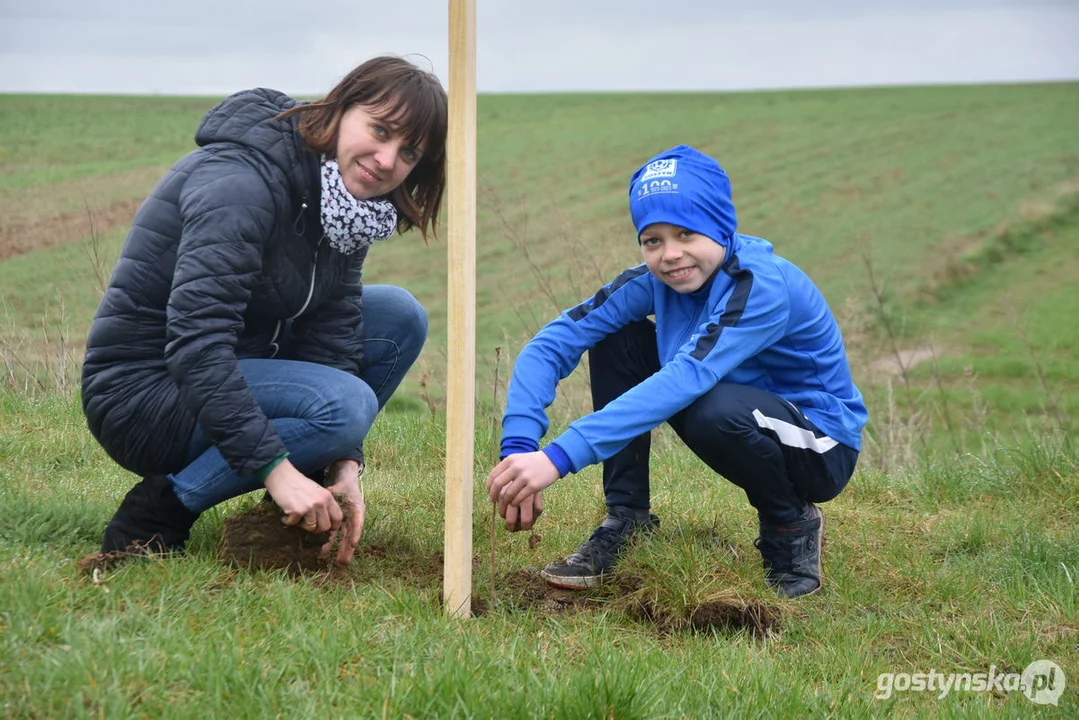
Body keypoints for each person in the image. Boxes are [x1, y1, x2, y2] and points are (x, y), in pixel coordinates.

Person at [81, 55, 447, 565]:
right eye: (380, 130)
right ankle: (161, 510)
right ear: (340, 109)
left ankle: (300, 497)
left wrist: (342, 462)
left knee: (398, 317)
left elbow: (333, 333)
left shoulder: (345, 209)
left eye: (408, 152)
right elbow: (196, 343)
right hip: (145, 392)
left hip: (235, 365)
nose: (387, 160)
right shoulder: (242, 186)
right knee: (345, 406)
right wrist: (279, 471)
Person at [485, 145, 867, 598]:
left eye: (687, 233)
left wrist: (557, 458)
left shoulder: (761, 285)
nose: (670, 254)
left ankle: (790, 523)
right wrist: (520, 448)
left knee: (714, 407)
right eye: (653, 240)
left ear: (722, 228)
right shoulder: (652, 282)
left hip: (821, 444)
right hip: (730, 405)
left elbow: (688, 377)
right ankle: (627, 519)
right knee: (617, 337)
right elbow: (551, 343)